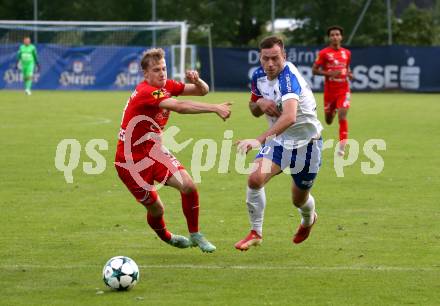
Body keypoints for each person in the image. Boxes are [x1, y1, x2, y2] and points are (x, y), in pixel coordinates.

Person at [115, 48, 231, 253]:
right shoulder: (145, 92)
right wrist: (214, 108)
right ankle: (167, 237)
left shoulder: (165, 85)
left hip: (154, 150)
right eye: (157, 70)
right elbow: (180, 106)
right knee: (156, 208)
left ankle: (196, 235)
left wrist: (197, 81)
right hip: (130, 161)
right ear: (146, 74)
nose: (162, 73)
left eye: (164, 68)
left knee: (188, 185)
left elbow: (202, 91)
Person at [235, 36, 323, 251]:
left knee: (298, 200)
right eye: (266, 59)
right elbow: (253, 109)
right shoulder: (258, 76)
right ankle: (256, 232)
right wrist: (260, 101)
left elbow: (290, 117)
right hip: (280, 142)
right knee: (255, 179)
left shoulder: (288, 78)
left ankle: (308, 219)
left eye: (275, 58)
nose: (270, 64)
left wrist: (257, 140)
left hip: (307, 145)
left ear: (284, 56)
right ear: (260, 57)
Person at [312, 25, 353, 156]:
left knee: (342, 115)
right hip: (330, 92)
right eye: (332, 35)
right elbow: (314, 70)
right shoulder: (324, 53)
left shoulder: (347, 53)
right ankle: (332, 110)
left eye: (337, 34)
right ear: (329, 37)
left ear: (341, 37)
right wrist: (329, 74)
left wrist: (350, 74)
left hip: (344, 90)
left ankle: (342, 146)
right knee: (329, 120)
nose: (335, 37)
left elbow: (347, 68)